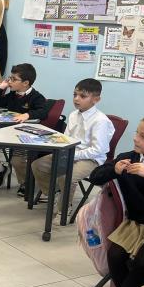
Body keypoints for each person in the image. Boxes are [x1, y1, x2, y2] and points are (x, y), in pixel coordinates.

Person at [88, 115, 144, 287]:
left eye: (143, 136)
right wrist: (114, 169)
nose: (135, 138)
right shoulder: (129, 158)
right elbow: (95, 176)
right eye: (136, 133)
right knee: (115, 254)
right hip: (136, 223)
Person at [32, 78, 114, 223]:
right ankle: (56, 193)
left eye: (82, 96)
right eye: (75, 94)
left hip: (91, 159)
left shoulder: (100, 121)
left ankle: (64, 208)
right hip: (70, 153)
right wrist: (56, 143)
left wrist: (74, 155)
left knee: (66, 176)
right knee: (38, 165)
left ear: (96, 99)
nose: (76, 99)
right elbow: (67, 138)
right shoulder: (73, 114)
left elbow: (98, 149)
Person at [0, 63, 50, 192]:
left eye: (14, 79)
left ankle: (24, 182)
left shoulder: (36, 97)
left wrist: (27, 114)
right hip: (7, 132)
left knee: (16, 161)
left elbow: (43, 112)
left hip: (23, 137)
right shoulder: (12, 94)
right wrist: (0, 88)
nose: (10, 81)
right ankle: (0, 170)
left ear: (26, 83)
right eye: (10, 78)